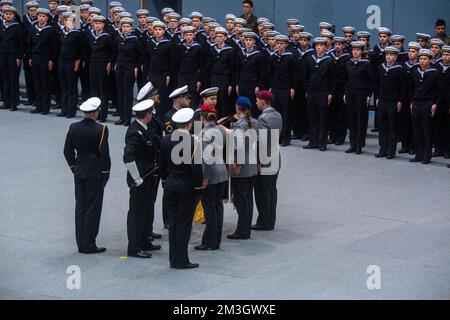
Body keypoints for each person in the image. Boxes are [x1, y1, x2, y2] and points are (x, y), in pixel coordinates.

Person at [63, 97, 111, 254]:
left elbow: (67, 151)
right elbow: (104, 156)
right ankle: (89, 243)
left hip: (80, 172)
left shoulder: (73, 127)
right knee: (93, 209)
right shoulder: (101, 129)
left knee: (80, 208)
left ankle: (81, 243)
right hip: (95, 174)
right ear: (96, 112)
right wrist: (105, 175)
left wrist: (74, 167)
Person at [159, 108, 204, 269]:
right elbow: (197, 170)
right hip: (186, 186)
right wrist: (199, 187)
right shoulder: (194, 142)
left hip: (170, 185)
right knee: (184, 224)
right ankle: (182, 259)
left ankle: (173, 258)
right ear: (190, 124)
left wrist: (165, 180)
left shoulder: (165, 140)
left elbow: (162, 166)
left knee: (173, 224)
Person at [123, 99, 162, 258]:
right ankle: (134, 246)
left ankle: (144, 240)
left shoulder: (145, 128)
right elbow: (128, 157)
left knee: (146, 210)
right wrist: (137, 177)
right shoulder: (135, 132)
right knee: (137, 213)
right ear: (146, 114)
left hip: (149, 176)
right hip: (140, 179)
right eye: (150, 112)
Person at [195, 104, 228, 250]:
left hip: (212, 174)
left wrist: (205, 177)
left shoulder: (203, 134)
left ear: (202, 117)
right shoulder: (221, 130)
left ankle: (209, 241)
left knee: (209, 209)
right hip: (222, 171)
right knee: (218, 207)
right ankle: (216, 241)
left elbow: (207, 159)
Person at [227, 96, 259, 240]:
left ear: (238, 107)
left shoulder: (240, 125)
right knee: (248, 198)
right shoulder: (255, 122)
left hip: (242, 166)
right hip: (252, 164)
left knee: (241, 200)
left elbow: (238, 147)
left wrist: (237, 164)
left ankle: (242, 231)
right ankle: (246, 229)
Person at [252, 91, 282, 231]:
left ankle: (265, 221)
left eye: (257, 100)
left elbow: (260, 142)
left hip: (265, 160)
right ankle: (270, 220)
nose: (256, 102)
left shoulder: (263, 119)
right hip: (275, 158)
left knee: (262, 192)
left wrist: (257, 162)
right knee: (271, 191)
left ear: (263, 101)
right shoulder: (278, 115)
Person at [303, 37, 337, 151]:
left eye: (321, 45)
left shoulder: (329, 60)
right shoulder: (309, 59)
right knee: (312, 118)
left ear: (325, 47)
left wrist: (330, 93)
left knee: (323, 118)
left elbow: (333, 79)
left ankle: (322, 142)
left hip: (323, 92)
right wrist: (307, 89)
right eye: (317, 45)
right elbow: (306, 76)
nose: (319, 47)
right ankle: (313, 141)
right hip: (312, 92)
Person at [410, 49, 442, 164]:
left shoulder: (435, 73)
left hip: (427, 103)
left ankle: (426, 156)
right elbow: (411, 88)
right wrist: (411, 101)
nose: (422, 61)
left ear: (430, 60)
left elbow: (439, 91)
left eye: (425, 59)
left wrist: (435, 103)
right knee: (416, 130)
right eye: (421, 59)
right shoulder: (415, 72)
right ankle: (418, 155)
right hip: (416, 103)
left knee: (427, 130)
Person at [374, 46, 407, 159]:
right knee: (382, 126)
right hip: (382, 100)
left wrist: (400, 101)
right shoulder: (381, 67)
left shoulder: (399, 69)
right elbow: (377, 84)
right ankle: (382, 149)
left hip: (393, 101)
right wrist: (377, 97)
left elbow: (403, 87)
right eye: (387, 54)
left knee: (392, 126)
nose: (388, 56)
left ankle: (391, 151)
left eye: (391, 55)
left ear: (396, 57)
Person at [343, 41, 375, 154]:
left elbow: (371, 81)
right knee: (351, 119)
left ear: (361, 51)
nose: (355, 52)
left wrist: (368, 95)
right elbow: (346, 80)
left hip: (361, 93)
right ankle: (352, 144)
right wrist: (345, 93)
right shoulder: (348, 63)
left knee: (360, 119)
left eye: (357, 50)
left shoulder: (367, 64)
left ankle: (359, 145)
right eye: (353, 50)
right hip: (350, 92)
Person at [266, 34, 297, 146]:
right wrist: (271, 86)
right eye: (278, 43)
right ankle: (276, 137)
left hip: (286, 89)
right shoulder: (273, 57)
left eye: (281, 43)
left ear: (286, 45)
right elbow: (270, 73)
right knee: (275, 115)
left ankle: (285, 137)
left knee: (285, 114)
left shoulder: (290, 57)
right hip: (275, 88)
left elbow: (295, 74)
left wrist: (292, 87)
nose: (279, 45)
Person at [114, 17, 145, 126]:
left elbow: (141, 54)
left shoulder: (135, 39)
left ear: (131, 28)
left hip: (129, 67)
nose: (126, 28)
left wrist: (136, 66)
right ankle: (121, 117)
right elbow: (115, 52)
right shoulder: (118, 38)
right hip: (120, 67)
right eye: (124, 26)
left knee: (127, 93)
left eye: (128, 26)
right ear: (121, 28)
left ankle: (127, 118)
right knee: (120, 92)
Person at [28, 8, 58, 115]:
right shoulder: (33, 29)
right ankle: (39, 105)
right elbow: (30, 45)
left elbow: (54, 47)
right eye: (39, 16)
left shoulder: (51, 30)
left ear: (47, 18)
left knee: (45, 83)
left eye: (43, 16)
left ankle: (46, 107)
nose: (41, 18)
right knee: (37, 83)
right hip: (35, 57)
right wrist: (30, 57)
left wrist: (51, 60)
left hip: (45, 58)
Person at [144, 20, 175, 119]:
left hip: (163, 73)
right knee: (152, 96)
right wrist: (148, 71)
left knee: (162, 96)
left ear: (163, 31)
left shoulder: (168, 44)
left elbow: (172, 61)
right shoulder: (150, 42)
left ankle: (162, 118)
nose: (157, 31)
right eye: (156, 29)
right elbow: (147, 58)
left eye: (160, 29)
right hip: (152, 72)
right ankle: (152, 117)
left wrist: (169, 75)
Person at [57, 12, 85, 118]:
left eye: (70, 20)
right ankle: (64, 109)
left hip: (72, 62)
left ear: (73, 22)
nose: (67, 22)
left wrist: (78, 60)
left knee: (71, 87)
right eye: (65, 20)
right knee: (63, 87)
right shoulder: (62, 32)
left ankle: (71, 111)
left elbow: (83, 48)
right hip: (62, 61)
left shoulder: (77, 34)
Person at [88, 15, 113, 123]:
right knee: (94, 90)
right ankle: (95, 114)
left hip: (102, 64)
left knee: (103, 90)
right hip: (93, 63)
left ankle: (103, 115)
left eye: (99, 23)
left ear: (103, 25)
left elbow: (112, 51)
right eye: (95, 23)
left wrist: (110, 62)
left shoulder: (106, 37)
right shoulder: (91, 35)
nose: (97, 25)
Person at [0, 6, 24, 111]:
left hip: (13, 56)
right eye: (6, 14)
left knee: (13, 80)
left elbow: (22, 43)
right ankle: (6, 102)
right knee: (4, 79)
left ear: (14, 15)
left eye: (10, 14)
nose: (8, 16)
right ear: (3, 15)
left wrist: (19, 57)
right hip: (2, 55)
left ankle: (14, 103)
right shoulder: (1, 25)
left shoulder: (17, 27)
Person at [207, 26, 235, 117]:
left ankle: (224, 123)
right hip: (214, 77)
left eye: (221, 37)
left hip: (224, 78)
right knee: (214, 101)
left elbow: (232, 68)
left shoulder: (230, 51)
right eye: (217, 36)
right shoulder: (212, 49)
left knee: (223, 101)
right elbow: (210, 65)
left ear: (225, 38)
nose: (219, 38)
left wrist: (231, 84)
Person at [328, 36, 351, 145]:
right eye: (336, 44)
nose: (337, 46)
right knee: (332, 113)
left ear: (343, 46)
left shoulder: (347, 58)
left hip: (342, 88)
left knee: (343, 114)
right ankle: (332, 135)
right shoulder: (330, 56)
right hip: (332, 88)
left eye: (339, 44)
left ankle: (340, 137)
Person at [399, 41, 421, 155]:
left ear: (418, 53)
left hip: (415, 97)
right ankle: (405, 145)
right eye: (410, 51)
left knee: (414, 124)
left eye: (413, 52)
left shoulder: (419, 67)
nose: (411, 54)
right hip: (404, 97)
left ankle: (413, 146)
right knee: (404, 122)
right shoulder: (404, 65)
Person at [235, 31, 265, 114]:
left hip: (253, 84)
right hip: (242, 83)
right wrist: (237, 84)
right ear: (243, 41)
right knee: (242, 106)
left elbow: (262, 72)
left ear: (254, 41)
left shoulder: (258, 55)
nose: (248, 42)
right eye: (246, 40)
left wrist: (258, 85)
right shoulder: (240, 53)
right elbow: (237, 70)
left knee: (252, 106)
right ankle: (243, 124)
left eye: (250, 40)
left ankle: (253, 124)